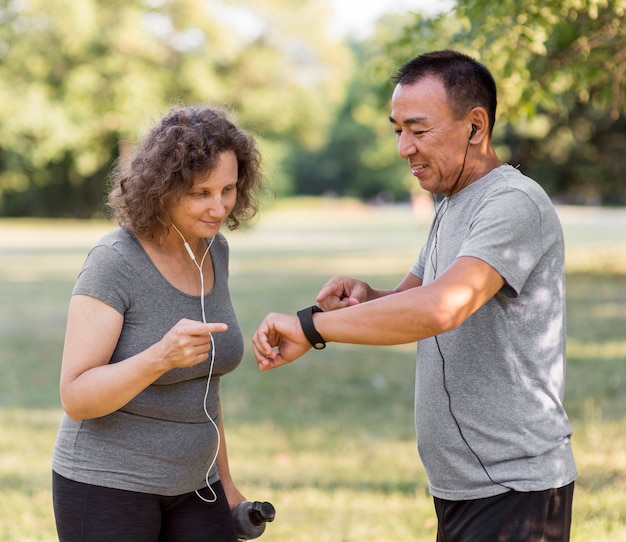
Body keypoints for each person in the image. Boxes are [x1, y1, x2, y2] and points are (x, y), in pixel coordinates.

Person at [251, 50, 577, 541]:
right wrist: (366, 297)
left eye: (418, 131)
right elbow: (418, 294)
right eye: (397, 130)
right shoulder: (452, 202)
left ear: (475, 126)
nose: (404, 148)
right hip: (464, 485)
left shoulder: (513, 203)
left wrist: (310, 326)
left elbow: (442, 307)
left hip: (514, 487)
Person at [52, 104, 264, 541]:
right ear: (162, 188)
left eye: (227, 189)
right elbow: (76, 397)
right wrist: (159, 357)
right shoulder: (115, 260)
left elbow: (206, 388)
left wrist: (225, 483)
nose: (219, 207)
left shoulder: (213, 250)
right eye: (200, 193)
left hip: (198, 487)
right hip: (106, 485)